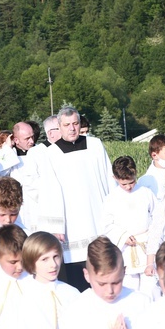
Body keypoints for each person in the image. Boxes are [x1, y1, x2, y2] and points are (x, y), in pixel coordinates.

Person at [37, 106, 116, 291]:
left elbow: (108, 178)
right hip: (72, 223)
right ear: (59, 126)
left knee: (103, 263)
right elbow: (49, 190)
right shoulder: (52, 153)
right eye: (67, 125)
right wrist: (55, 226)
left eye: (75, 123)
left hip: (98, 214)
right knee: (77, 274)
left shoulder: (95, 145)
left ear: (80, 124)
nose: (72, 128)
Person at [58, 236, 150, 329]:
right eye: (102, 284)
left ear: (124, 272)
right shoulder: (75, 311)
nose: (110, 291)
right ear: (87, 275)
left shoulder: (141, 302)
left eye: (116, 282)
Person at [20, 232, 81, 329]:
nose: (53, 264)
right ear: (31, 263)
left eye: (56, 257)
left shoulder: (71, 293)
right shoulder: (24, 293)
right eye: (44, 259)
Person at [102, 156, 156, 295]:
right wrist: (122, 236)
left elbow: (158, 217)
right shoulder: (111, 199)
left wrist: (152, 236)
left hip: (146, 247)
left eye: (131, 182)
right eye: (123, 184)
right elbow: (106, 224)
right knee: (129, 287)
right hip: (126, 248)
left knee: (150, 287)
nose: (128, 187)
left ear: (136, 173)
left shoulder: (145, 193)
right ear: (115, 178)